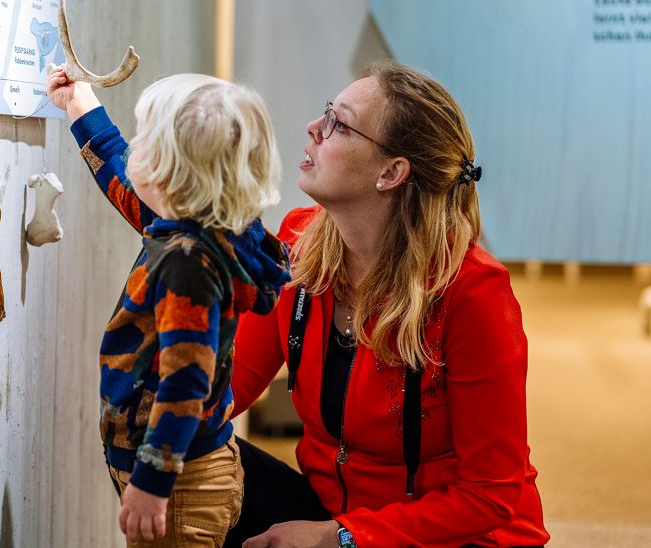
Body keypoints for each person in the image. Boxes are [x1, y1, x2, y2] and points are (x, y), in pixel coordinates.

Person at [226, 60, 550, 548]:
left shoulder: (473, 294)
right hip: (333, 515)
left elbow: (491, 494)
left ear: (391, 172)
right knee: (185, 451)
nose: (314, 128)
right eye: (325, 113)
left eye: (339, 123)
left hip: (459, 536)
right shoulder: (300, 240)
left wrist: (339, 538)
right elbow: (229, 385)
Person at [46, 65, 292, 546]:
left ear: (166, 172)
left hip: (179, 485)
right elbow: (122, 177)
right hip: (187, 471)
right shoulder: (202, 230)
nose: (132, 148)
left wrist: (152, 483)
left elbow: (184, 382)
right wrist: (80, 105)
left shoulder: (189, 267)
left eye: (142, 140)